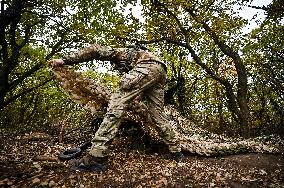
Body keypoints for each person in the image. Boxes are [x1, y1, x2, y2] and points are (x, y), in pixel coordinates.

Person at [49, 43, 184, 172]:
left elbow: (95, 50)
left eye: (115, 65)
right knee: (158, 115)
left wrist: (65, 60)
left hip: (147, 68)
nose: (115, 67)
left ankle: (96, 157)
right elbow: (141, 87)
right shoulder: (143, 57)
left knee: (115, 106)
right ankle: (176, 151)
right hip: (161, 71)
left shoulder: (120, 52)